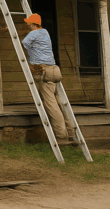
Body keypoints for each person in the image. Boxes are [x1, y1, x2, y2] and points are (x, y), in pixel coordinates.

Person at [21, 14, 75, 145]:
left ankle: (61, 137)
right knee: (60, 103)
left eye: (28, 23)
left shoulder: (33, 34)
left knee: (51, 106)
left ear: (33, 24)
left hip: (42, 71)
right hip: (54, 70)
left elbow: (24, 43)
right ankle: (71, 132)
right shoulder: (45, 32)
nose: (27, 25)